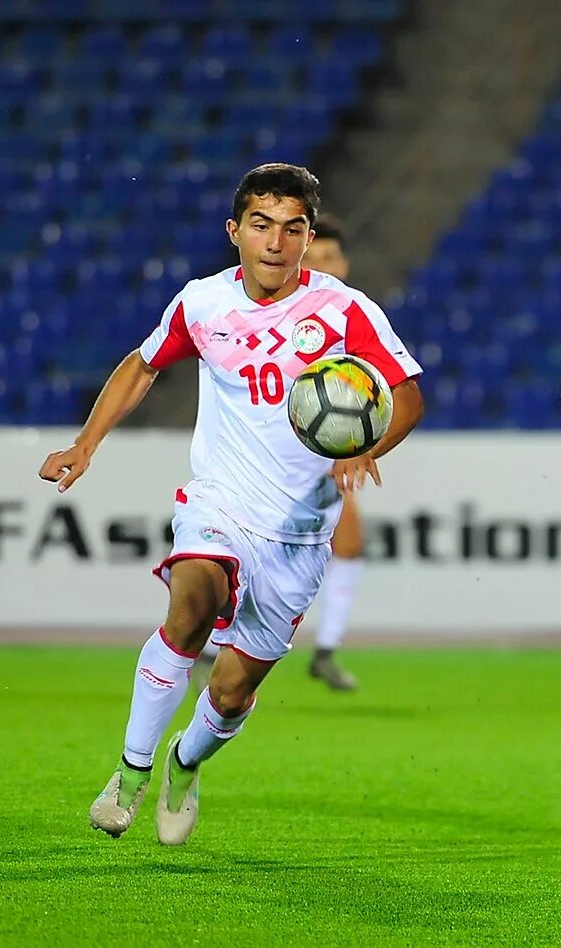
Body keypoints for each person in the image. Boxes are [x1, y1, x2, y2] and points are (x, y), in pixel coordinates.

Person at [39, 164, 424, 846]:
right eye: (261, 225)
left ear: (308, 237)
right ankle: (129, 776)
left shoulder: (343, 310)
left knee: (229, 693)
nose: (276, 242)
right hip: (219, 501)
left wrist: (369, 447)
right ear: (235, 231)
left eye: (292, 228)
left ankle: (184, 765)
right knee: (189, 605)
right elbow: (143, 362)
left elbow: (408, 395)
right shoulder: (202, 304)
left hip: (299, 535)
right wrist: (86, 443)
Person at [191, 214, 366, 692]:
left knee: (349, 544)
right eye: (321, 256)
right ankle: (210, 645)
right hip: (261, 464)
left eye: (336, 256)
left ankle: (325, 650)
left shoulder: (350, 313)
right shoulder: (277, 311)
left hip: (318, 460)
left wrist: (360, 445)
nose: (331, 265)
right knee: (244, 556)